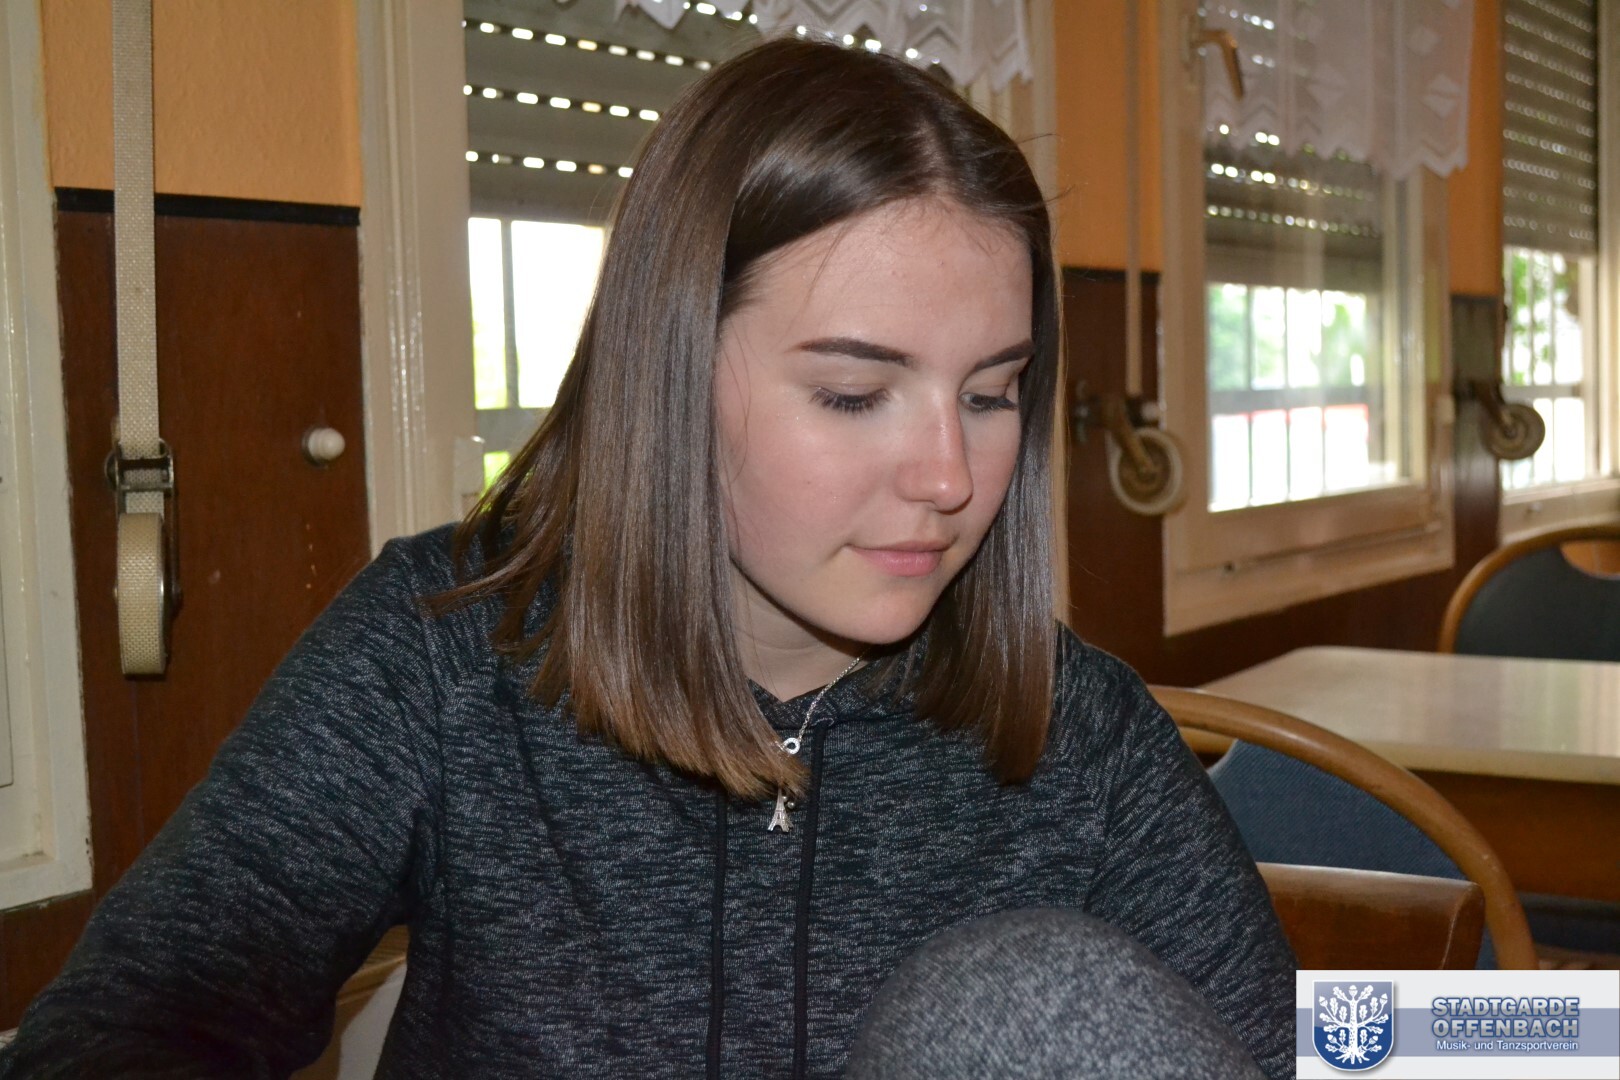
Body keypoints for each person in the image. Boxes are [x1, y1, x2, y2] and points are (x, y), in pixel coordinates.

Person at [0, 37, 1295, 1080]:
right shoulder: (439, 653)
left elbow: (1318, 1054)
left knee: (1022, 999)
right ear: (669, 375)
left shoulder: (1087, 736)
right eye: (854, 395)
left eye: (992, 392)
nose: (951, 478)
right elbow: (126, 1023)